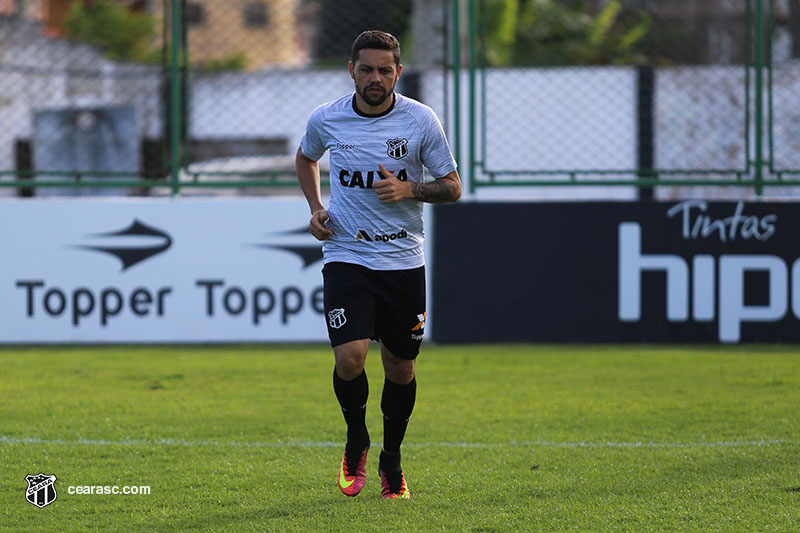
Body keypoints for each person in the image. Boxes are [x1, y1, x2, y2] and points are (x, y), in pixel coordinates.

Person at [295, 30, 461, 500]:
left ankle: (392, 458)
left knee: (400, 368)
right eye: (366, 69)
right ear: (351, 70)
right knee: (349, 358)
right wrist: (316, 207)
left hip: (403, 259)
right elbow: (306, 157)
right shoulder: (327, 117)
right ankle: (356, 440)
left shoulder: (420, 119)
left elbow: (452, 187)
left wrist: (410, 189)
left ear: (398, 73)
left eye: (384, 70)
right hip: (347, 253)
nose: (375, 78)